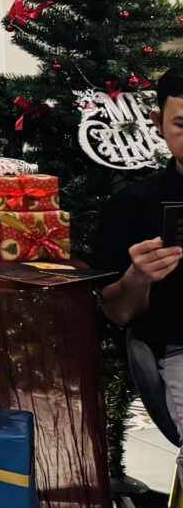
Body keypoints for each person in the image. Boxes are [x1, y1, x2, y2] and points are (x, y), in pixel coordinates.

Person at [97, 68, 183, 458]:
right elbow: (117, 311)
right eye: (182, 125)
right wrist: (139, 276)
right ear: (158, 123)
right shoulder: (134, 205)